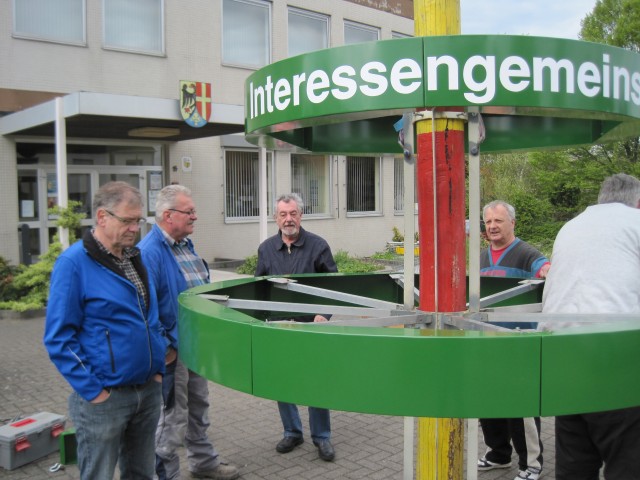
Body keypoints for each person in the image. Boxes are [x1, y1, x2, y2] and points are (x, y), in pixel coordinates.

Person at [43, 181, 165, 480]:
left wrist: (159, 368)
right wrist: (94, 391)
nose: (134, 228)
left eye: (138, 220)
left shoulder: (134, 257)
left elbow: (150, 316)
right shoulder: (73, 263)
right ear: (102, 217)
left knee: (142, 473)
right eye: (127, 220)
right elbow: (59, 338)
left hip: (147, 390)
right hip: (106, 399)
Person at [541, 173, 640, 480]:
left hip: (565, 358)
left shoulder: (571, 227)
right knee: (627, 463)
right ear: (638, 202)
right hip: (618, 361)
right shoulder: (636, 223)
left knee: (574, 465)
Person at [138, 185, 240, 480]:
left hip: (196, 346)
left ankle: (204, 463)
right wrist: (166, 350)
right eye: (189, 211)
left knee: (198, 407)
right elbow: (144, 309)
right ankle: (164, 474)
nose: (195, 216)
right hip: (174, 351)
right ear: (168, 215)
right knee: (172, 417)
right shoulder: (150, 253)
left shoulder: (184, 245)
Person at [255, 193, 338, 462]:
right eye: (283, 214)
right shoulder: (266, 249)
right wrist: (261, 319)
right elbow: (259, 288)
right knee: (283, 380)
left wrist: (323, 314)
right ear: (276, 218)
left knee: (316, 381)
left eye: (293, 213)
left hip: (311, 327)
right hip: (280, 328)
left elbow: (334, 286)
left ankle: (322, 436)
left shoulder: (318, 246)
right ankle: (292, 432)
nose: (288, 219)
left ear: (301, 215)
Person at [477, 200, 549, 480]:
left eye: (498, 221)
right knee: (489, 401)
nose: (492, 226)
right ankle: (498, 454)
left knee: (521, 406)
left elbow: (544, 268)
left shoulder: (525, 253)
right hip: (487, 343)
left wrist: (547, 270)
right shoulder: (482, 258)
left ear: (512, 223)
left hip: (518, 345)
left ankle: (531, 464)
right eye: (488, 222)